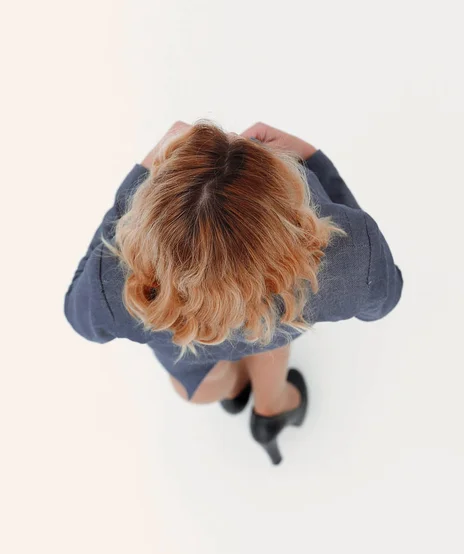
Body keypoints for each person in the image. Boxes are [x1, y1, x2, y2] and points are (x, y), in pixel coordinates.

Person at [64, 120, 403, 465]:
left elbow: (77, 314)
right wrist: (310, 158)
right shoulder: (348, 253)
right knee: (269, 334)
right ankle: (271, 409)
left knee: (202, 380)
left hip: (193, 359)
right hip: (273, 321)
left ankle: (235, 389)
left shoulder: (118, 281)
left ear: (147, 218)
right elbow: (382, 300)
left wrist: (137, 180)